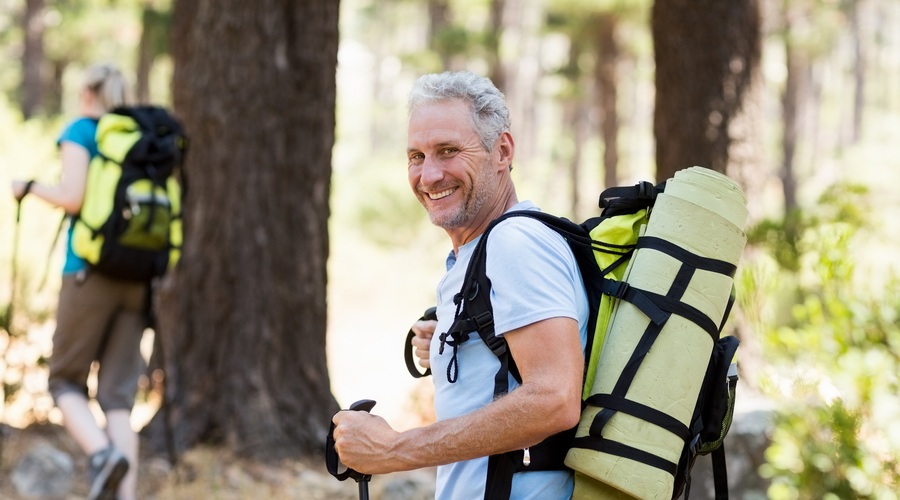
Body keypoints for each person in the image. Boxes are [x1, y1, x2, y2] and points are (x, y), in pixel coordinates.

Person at [332, 71, 589, 499]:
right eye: (416, 156)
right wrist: (454, 344)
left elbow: (555, 397)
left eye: (448, 151)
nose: (429, 175)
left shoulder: (514, 242)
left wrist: (393, 449)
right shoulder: (480, 249)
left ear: (501, 151)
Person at [11, 63, 141, 500]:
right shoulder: (139, 137)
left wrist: (27, 186)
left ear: (87, 92)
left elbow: (72, 195)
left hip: (89, 272)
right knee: (119, 400)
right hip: (137, 278)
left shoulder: (83, 131)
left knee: (64, 380)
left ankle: (102, 455)